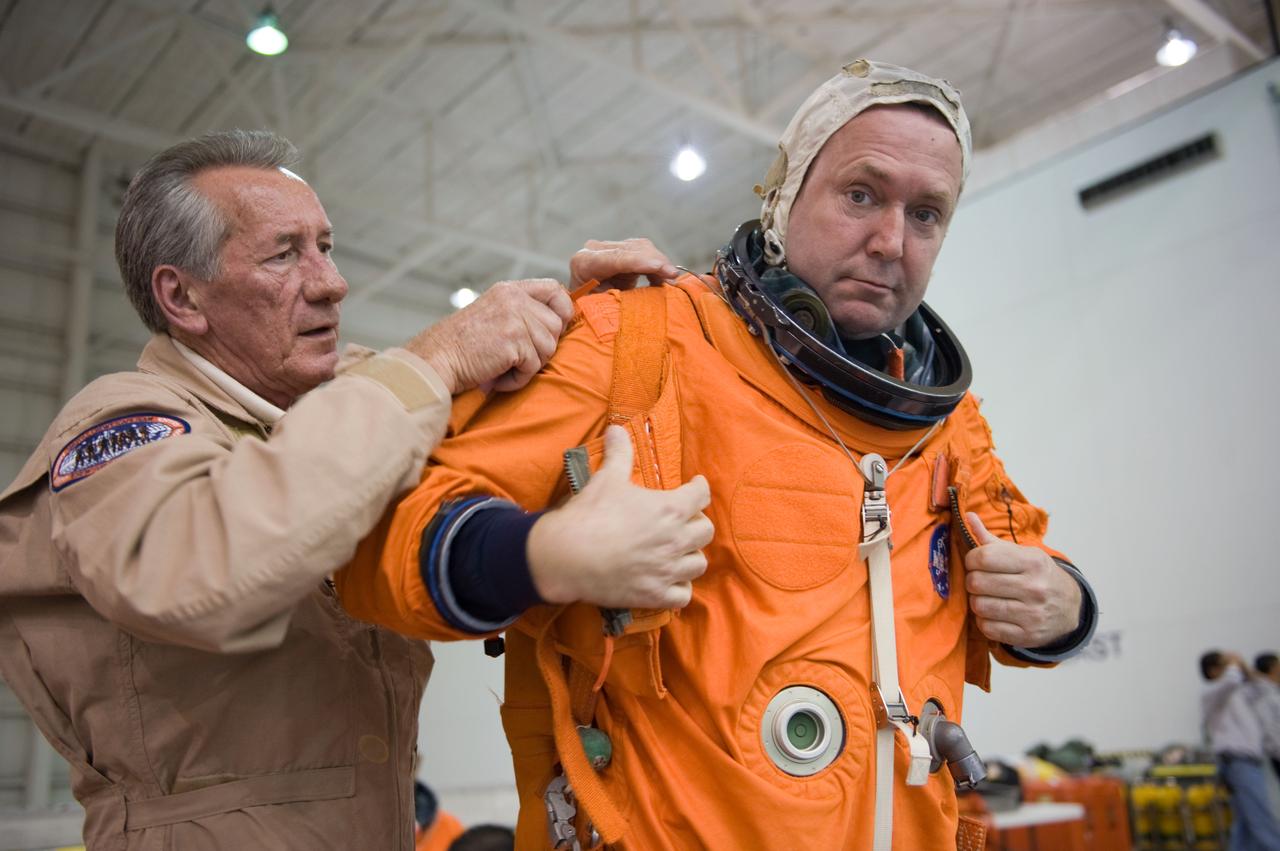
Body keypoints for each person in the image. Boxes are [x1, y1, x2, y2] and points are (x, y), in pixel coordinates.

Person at [336, 60, 1098, 849]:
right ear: (785, 194)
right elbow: (379, 545)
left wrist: (1066, 607)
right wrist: (540, 555)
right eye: (861, 194)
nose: (889, 241)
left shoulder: (946, 425)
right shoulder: (636, 345)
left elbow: (1024, 563)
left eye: (928, 213)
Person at [0, 130, 710, 849]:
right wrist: (438, 358)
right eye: (284, 253)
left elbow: (497, 439)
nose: (331, 281)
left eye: (327, 246)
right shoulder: (119, 426)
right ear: (181, 296)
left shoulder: (356, 414)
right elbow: (206, 568)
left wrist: (598, 317)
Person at [1201, 651, 1280, 850]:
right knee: (1261, 819)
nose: (1230, 668)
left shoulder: (1241, 694)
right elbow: (1230, 682)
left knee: (1245, 824)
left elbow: (1266, 688)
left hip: (1250, 761)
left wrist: (1244, 667)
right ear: (1213, 671)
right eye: (1224, 665)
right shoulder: (1212, 695)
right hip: (1237, 762)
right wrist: (1235, 665)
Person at [1251, 652, 1280, 781]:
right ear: (1273, 668)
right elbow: (1269, 728)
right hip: (1274, 754)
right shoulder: (1263, 694)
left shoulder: (1274, 691)